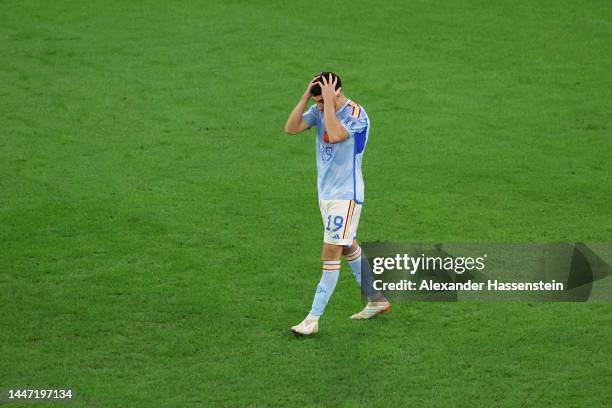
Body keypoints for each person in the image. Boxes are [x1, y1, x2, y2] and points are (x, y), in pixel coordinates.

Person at [284, 72, 390, 336]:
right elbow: (291, 127)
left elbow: (334, 133)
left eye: (322, 101)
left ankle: (312, 319)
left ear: (337, 92)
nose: (318, 107)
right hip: (326, 195)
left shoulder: (357, 114)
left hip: (346, 195)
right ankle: (377, 298)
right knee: (346, 246)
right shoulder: (320, 107)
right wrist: (307, 96)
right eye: (316, 102)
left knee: (330, 251)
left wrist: (328, 104)